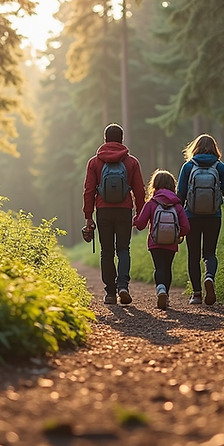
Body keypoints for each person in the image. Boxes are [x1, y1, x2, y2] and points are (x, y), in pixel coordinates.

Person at [83, 123, 146, 305]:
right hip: (124, 210)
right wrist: (140, 212)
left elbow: (88, 190)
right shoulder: (131, 162)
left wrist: (88, 216)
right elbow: (139, 190)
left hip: (103, 211)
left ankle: (110, 293)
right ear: (121, 139)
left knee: (107, 251)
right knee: (123, 249)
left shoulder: (94, 162)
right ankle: (123, 286)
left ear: (105, 139)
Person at [176, 134, 224, 305]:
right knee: (209, 252)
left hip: (191, 216)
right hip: (213, 216)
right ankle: (209, 277)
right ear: (214, 148)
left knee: (193, 255)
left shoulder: (188, 166)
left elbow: (180, 194)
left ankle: (196, 294)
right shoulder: (220, 167)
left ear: (195, 148)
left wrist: (178, 218)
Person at [133, 170, 190, 310]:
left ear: (155, 185)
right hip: (171, 242)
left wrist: (135, 219)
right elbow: (186, 227)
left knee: (159, 267)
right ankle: (167, 295)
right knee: (167, 267)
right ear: (172, 185)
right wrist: (177, 235)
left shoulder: (151, 203)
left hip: (155, 242)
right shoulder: (177, 205)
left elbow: (140, 225)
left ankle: (161, 290)